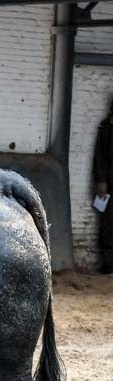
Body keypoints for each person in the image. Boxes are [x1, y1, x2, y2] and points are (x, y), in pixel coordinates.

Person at [93, 99, 113, 274]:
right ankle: (108, 264)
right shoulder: (106, 128)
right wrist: (101, 183)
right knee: (108, 225)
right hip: (110, 184)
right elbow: (100, 157)